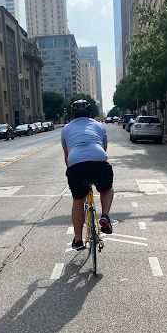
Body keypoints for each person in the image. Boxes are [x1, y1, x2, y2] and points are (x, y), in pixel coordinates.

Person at [61, 99, 114, 250]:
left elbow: (66, 155)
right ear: (90, 113)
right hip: (99, 161)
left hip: (76, 165)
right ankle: (105, 216)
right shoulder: (99, 125)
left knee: (78, 201)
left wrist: (72, 172)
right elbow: (104, 148)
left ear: (72, 114)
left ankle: (78, 240)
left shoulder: (65, 129)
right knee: (106, 189)